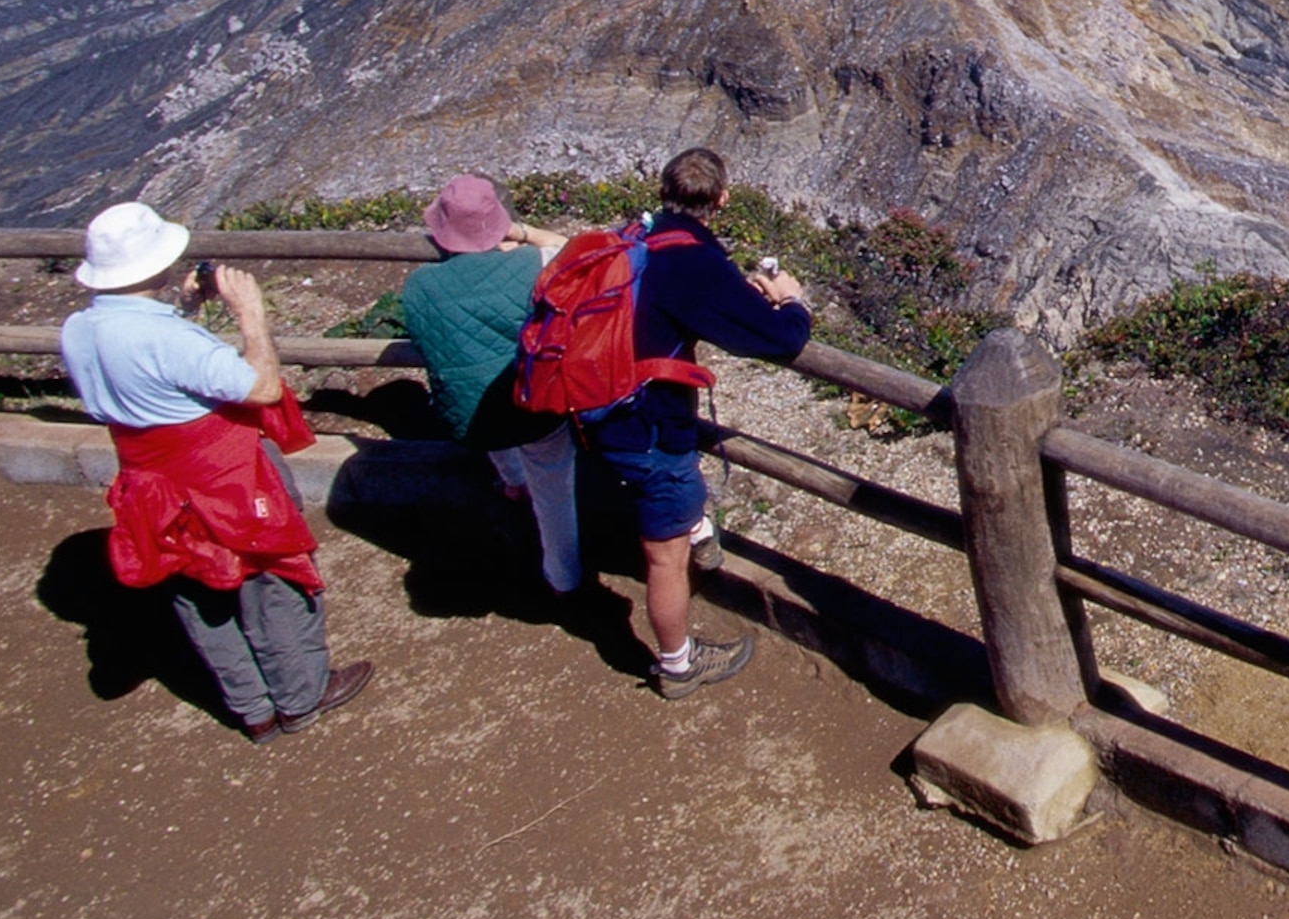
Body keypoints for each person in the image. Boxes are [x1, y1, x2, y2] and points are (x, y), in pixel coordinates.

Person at [58, 201, 373, 743]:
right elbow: (261, 387)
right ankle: (300, 695)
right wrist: (251, 314)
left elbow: (148, 365)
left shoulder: (79, 330)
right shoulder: (165, 340)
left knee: (198, 588)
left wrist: (180, 309)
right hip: (223, 476)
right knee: (268, 579)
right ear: (154, 266)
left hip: (149, 480)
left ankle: (252, 708)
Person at [586, 147, 810, 698]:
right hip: (648, 429)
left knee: (672, 513)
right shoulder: (692, 262)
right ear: (722, 198)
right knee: (664, 559)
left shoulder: (636, 235)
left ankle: (696, 527)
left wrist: (736, 291)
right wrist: (794, 300)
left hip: (596, 411)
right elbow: (778, 338)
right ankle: (678, 667)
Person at [398, 174, 582, 596]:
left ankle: (513, 485)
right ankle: (565, 580)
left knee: (480, 392)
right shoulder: (530, 265)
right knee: (553, 490)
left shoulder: (419, 287)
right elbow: (574, 248)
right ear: (499, 223)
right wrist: (518, 231)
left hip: (469, 418)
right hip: (536, 410)